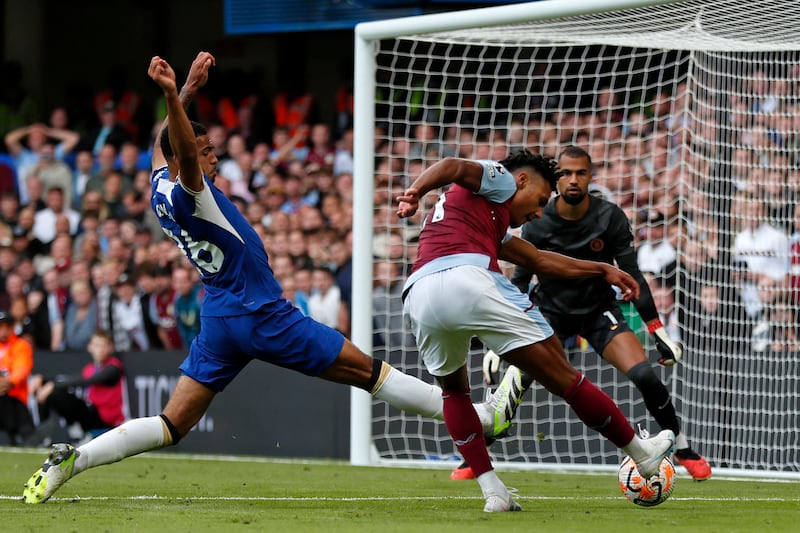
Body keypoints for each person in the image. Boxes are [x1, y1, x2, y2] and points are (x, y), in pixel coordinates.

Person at [22, 52, 518, 504]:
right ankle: (484, 417)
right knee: (370, 373)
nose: (214, 156)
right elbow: (180, 151)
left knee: (172, 424)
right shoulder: (192, 193)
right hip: (260, 312)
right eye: (206, 149)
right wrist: (173, 94)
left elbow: (163, 147)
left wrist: (188, 89)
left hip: (220, 315)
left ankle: (76, 459)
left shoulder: (158, 187)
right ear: (188, 157)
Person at [396, 149, 675, 512]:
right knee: (565, 377)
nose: (540, 212)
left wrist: (602, 270)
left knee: (454, 393)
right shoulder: (501, 178)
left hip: (419, 293)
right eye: (541, 200)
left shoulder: (479, 216)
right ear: (522, 181)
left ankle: (494, 492)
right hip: (469, 278)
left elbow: (539, 259)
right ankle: (641, 452)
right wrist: (415, 191)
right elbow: (451, 166)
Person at [454, 146, 710, 481]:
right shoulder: (537, 220)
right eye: (566, 174)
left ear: (591, 176)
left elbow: (632, 277)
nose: (573, 180)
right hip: (548, 315)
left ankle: (682, 447)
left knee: (646, 375)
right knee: (515, 382)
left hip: (598, 311)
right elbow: (517, 283)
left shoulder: (610, 217)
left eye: (581, 173)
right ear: (556, 179)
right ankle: (478, 455)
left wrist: (657, 330)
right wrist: (496, 343)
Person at [27, 330, 126, 446]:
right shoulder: (89, 368)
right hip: (90, 415)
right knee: (54, 393)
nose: (100, 350)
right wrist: (44, 380)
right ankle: (70, 431)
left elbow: (88, 381)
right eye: (97, 345)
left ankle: (77, 433)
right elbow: (71, 379)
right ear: (90, 347)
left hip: (106, 420)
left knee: (60, 393)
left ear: (111, 348)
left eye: (104, 346)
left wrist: (53, 384)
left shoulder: (113, 367)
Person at [0, 309, 35, 445]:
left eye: (6, 326)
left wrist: (8, 382)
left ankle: (25, 437)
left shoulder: (21, 346)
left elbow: (21, 371)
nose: (2, 331)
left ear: (12, 327)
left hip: (15, 397)